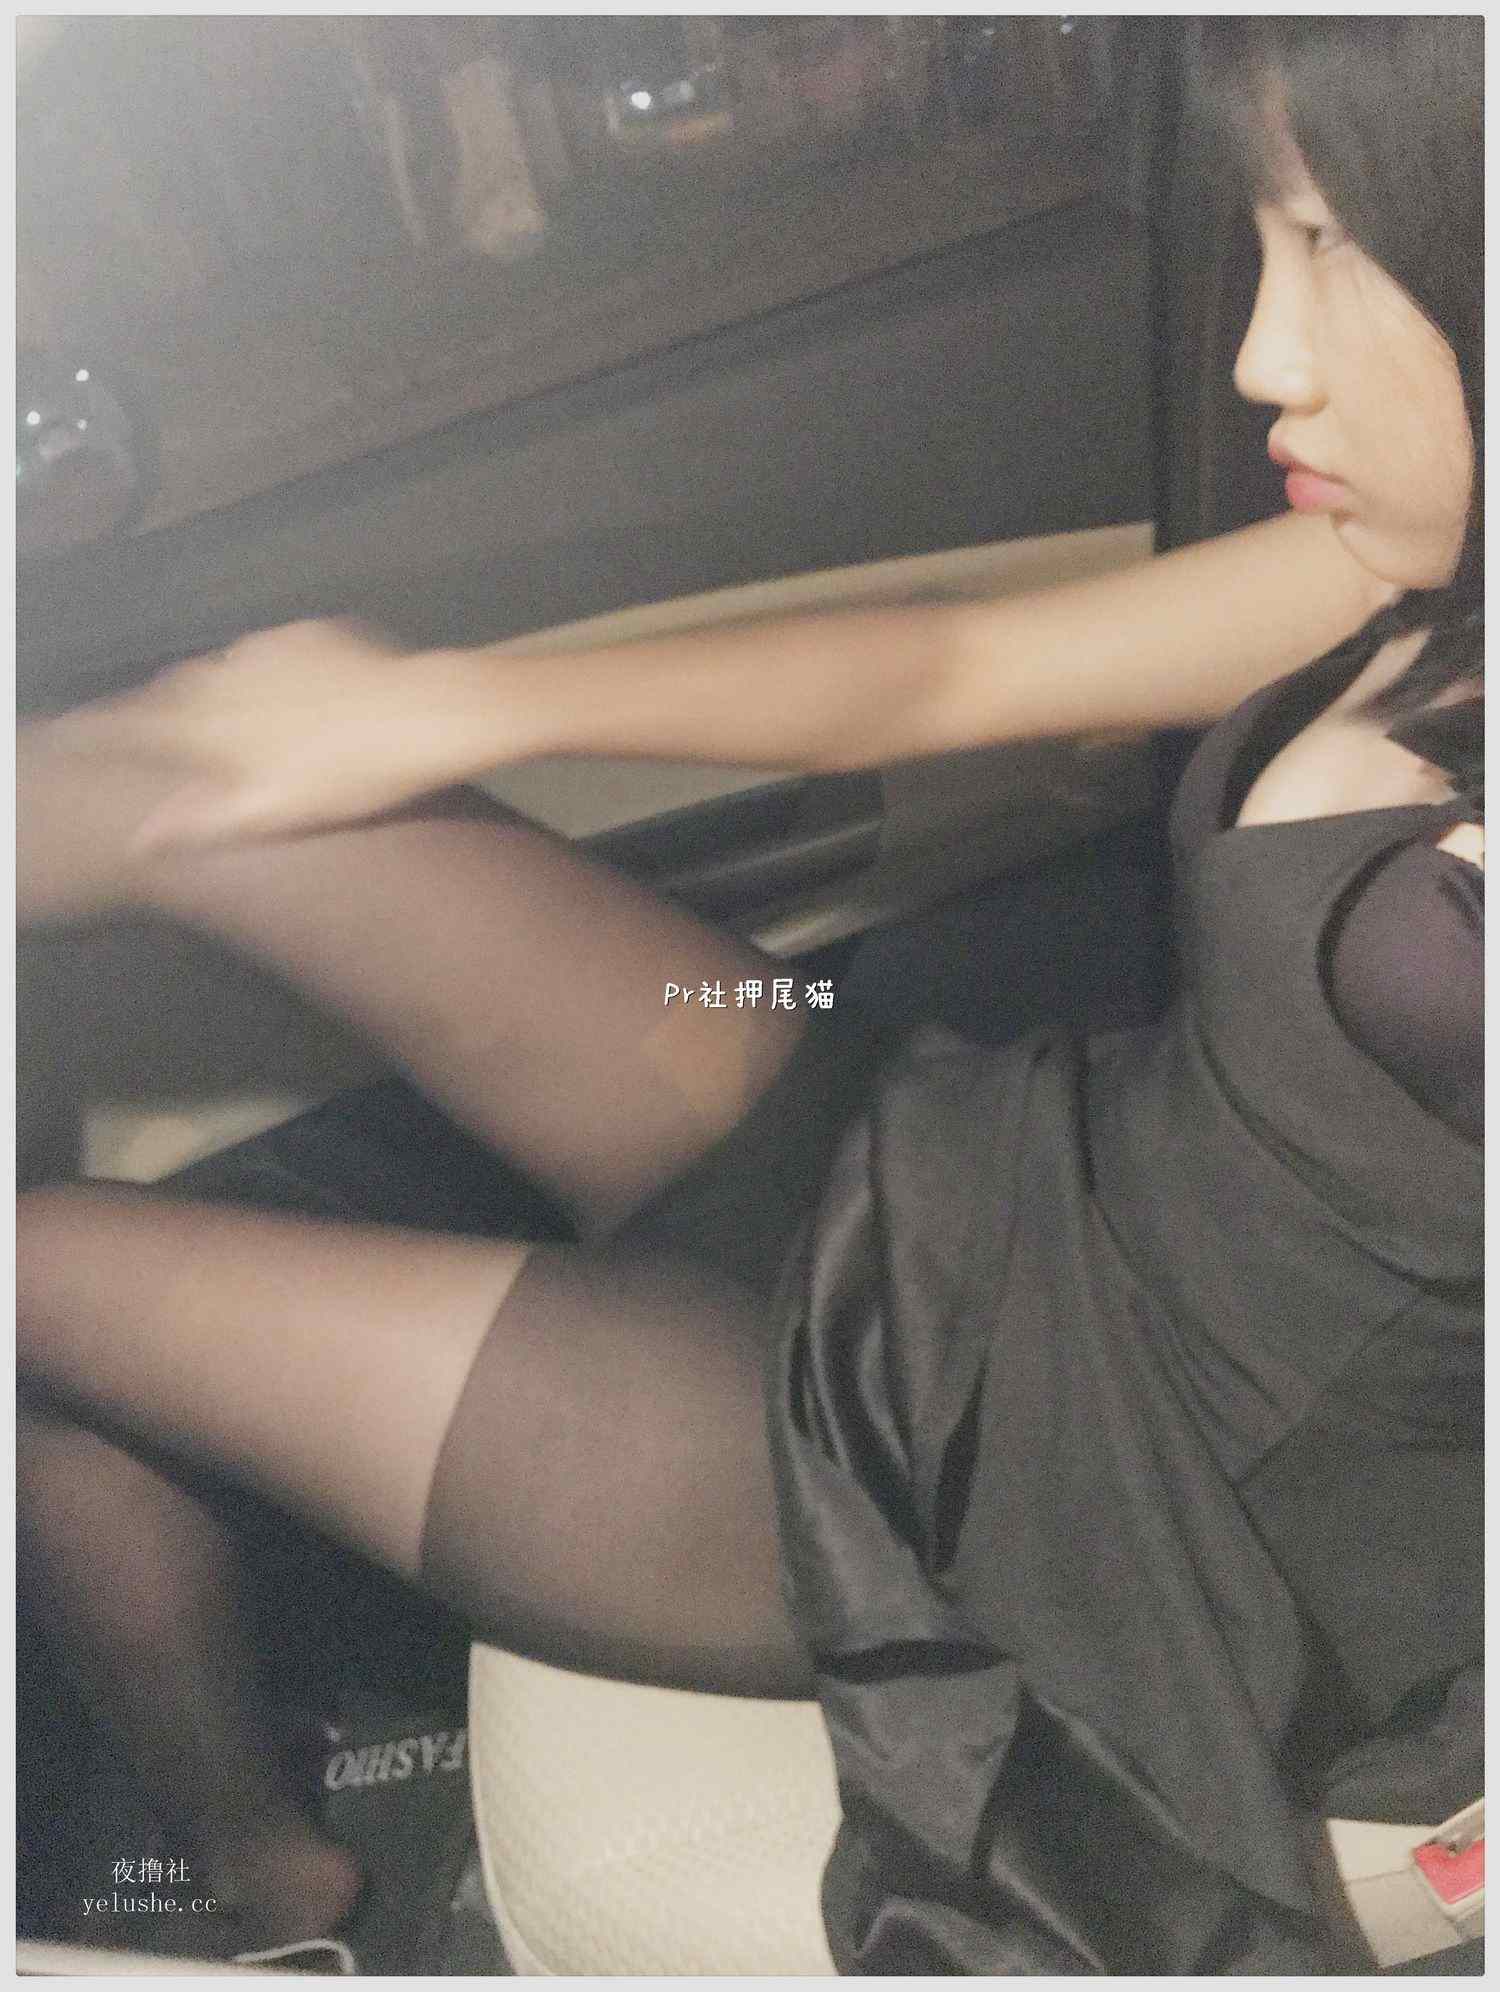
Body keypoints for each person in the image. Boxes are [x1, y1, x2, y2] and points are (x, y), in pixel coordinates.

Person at [16, 17, 1481, 1972]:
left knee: (32, 1282)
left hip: (1051, 1498)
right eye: (1275, 238)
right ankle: (258, 1859)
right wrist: (442, 703)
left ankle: (271, 1884)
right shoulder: (1420, 567)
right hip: (996, 1197)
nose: (1265, 354)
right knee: (224, 793)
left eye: (1344, 250)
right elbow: (956, 674)